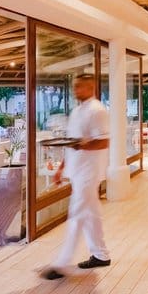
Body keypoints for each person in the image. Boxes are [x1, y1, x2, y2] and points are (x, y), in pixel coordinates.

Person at [41, 74, 111, 280]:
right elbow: (71, 143)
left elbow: (103, 142)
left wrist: (80, 145)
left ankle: (61, 264)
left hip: (89, 172)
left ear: (91, 87)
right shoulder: (76, 111)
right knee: (91, 214)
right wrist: (61, 168)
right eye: (75, 86)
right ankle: (101, 255)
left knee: (77, 213)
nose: (75, 90)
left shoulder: (97, 110)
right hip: (77, 170)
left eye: (79, 86)